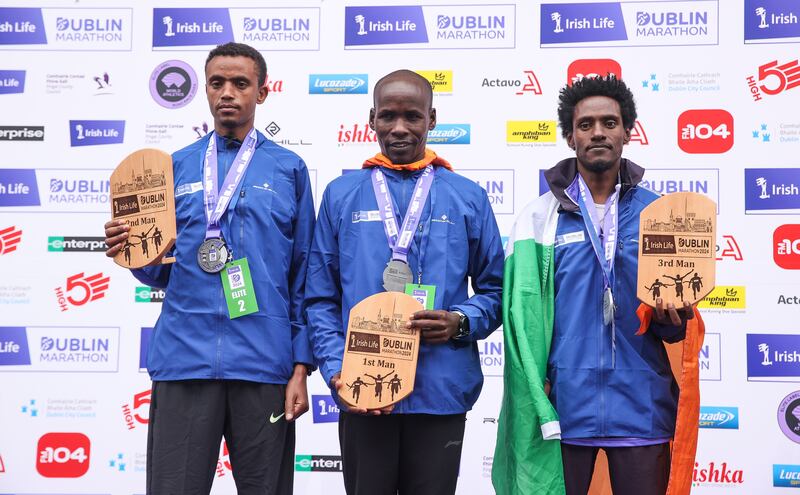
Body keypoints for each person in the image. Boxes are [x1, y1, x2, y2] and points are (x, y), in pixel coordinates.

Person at [103, 42, 315, 495]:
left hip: (264, 363)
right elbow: (161, 271)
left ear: (262, 92)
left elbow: (303, 274)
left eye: (241, 83)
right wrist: (135, 253)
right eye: (217, 83)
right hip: (184, 359)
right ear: (205, 89)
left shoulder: (289, 168)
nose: (227, 93)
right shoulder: (172, 168)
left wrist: (301, 366)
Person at [493, 75, 700, 495]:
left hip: (643, 408)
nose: (598, 132)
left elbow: (681, 328)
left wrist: (672, 323)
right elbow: (523, 323)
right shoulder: (538, 220)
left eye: (610, 122)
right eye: (585, 125)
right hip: (564, 408)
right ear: (570, 137)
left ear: (628, 131)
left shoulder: (661, 216)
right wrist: (539, 392)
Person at [306, 69, 503, 495]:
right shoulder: (341, 195)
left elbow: (496, 290)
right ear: (371, 118)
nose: (399, 128)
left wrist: (461, 321)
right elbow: (320, 297)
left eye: (412, 116)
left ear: (432, 120)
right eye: (387, 116)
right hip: (363, 389)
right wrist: (338, 370)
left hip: (441, 391)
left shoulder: (468, 196)